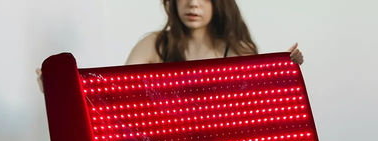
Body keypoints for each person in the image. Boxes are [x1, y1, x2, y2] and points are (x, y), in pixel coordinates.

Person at [35, 0, 303, 92]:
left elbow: (259, 101)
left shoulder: (235, 50)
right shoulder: (154, 45)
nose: (193, 4)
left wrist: (286, 67)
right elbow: (112, 93)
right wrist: (60, 88)